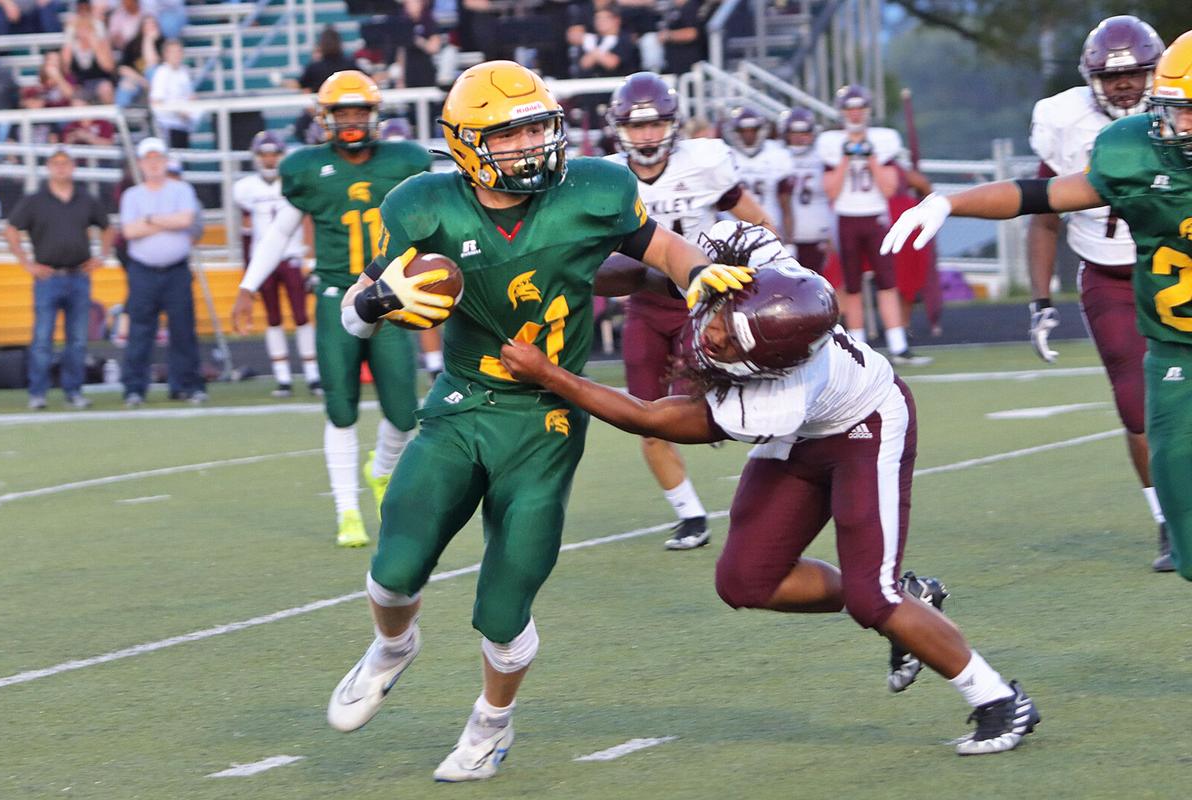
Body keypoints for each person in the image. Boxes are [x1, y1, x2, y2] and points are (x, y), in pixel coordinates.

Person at [326, 59, 742, 781]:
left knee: (505, 600)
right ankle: (393, 647)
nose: (531, 146)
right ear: (464, 142)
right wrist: (374, 305)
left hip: (547, 418)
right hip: (462, 404)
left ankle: (491, 723)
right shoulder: (423, 207)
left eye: (538, 128)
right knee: (393, 571)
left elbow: (664, 249)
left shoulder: (594, 189)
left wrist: (698, 274)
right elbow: (351, 313)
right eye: (509, 134)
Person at [498, 220, 1041, 756]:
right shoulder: (752, 262)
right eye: (723, 320)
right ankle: (910, 598)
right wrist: (558, 273)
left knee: (873, 598)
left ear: (764, 365)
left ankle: (997, 698)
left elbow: (650, 418)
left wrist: (552, 376)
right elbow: (648, 272)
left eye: (730, 342)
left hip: (864, 429)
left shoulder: (777, 395)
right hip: (808, 429)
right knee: (745, 580)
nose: (711, 334)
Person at [883, 30, 1192, 583]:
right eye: (1174, 111)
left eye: (1190, 112)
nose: (1177, 126)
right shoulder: (1134, 149)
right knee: (1180, 504)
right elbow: (1041, 197)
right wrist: (951, 202)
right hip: (1172, 344)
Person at [231, 70, 431, 548]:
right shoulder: (306, 169)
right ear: (325, 118)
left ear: (375, 114)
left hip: (387, 296)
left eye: (359, 111)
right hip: (335, 295)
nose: (352, 122)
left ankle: (381, 471)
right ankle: (347, 512)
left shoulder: (405, 160)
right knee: (340, 409)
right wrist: (247, 286)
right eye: (342, 113)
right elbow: (280, 231)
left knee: (405, 414)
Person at [604, 71, 774, 550]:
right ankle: (691, 514)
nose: (647, 135)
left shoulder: (705, 162)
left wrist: (769, 272)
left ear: (673, 124)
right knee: (645, 414)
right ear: (620, 129)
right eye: (637, 127)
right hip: (644, 302)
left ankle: (772, 489)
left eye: (656, 124)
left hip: (704, 302)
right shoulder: (607, 178)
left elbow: (759, 221)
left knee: (710, 408)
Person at [1025, 16, 1171, 572]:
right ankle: (1167, 520)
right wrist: (1041, 300)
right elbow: (1040, 215)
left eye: (1135, 73)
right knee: (1136, 402)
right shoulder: (1064, 122)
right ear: (1091, 78)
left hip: (1174, 265)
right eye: (1113, 78)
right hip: (1108, 276)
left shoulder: (1177, 110)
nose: (1124, 86)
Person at [818, 84, 930, 365]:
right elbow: (830, 190)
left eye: (859, 109)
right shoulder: (831, 143)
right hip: (846, 217)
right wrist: (847, 156)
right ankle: (858, 347)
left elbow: (889, 188)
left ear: (867, 111)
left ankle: (898, 345)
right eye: (850, 109)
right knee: (852, 285)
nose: (855, 115)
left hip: (876, 216)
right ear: (842, 112)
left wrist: (870, 157)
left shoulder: (883, 140)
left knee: (887, 281)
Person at [5, 148, 112, 410]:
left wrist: (102, 256)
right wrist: (26, 263)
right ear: (49, 167)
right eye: (56, 163)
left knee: (76, 339)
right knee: (42, 338)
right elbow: (11, 229)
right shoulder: (36, 200)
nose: (61, 168)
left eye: (65, 163)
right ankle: (38, 392)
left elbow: (107, 226)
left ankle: (73, 391)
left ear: (73, 167)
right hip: (48, 276)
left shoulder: (85, 198)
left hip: (78, 275)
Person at [232, 131, 320, 398]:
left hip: (292, 256)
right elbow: (246, 231)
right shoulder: (246, 188)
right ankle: (283, 378)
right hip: (264, 259)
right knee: (272, 318)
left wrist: (311, 258)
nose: (269, 160)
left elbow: (307, 222)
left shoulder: (293, 183)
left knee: (302, 316)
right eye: (264, 155)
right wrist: (249, 271)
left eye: (273, 154)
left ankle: (313, 374)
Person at [119, 136, 204, 407]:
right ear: (142, 164)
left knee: (183, 329)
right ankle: (134, 388)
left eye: (158, 159)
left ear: (166, 161)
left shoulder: (181, 189)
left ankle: (186, 385)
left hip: (176, 269)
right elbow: (129, 231)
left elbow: (186, 220)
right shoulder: (132, 195)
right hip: (143, 270)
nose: (154, 164)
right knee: (140, 331)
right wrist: (168, 221)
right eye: (149, 159)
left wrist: (150, 219)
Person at [723, 105, 794, 242]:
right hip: (733, 234)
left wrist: (789, 241)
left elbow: (786, 205)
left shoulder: (777, 154)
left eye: (753, 130)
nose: (748, 135)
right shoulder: (724, 156)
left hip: (768, 230)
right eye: (743, 131)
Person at [780, 106, 833, 274]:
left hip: (816, 232)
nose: (798, 138)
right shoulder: (776, 155)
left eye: (804, 133)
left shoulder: (822, 155)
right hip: (784, 233)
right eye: (793, 133)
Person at [148, 38, 196, 148]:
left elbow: (190, 96)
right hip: (168, 125)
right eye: (173, 52)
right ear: (165, 54)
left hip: (183, 124)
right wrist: (178, 112)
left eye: (179, 51)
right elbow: (156, 102)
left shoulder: (184, 71)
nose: (176, 55)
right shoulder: (161, 73)